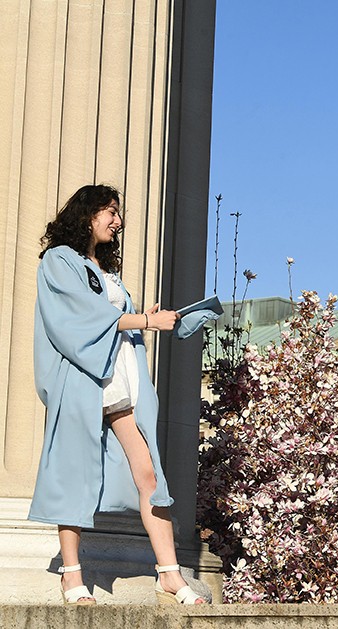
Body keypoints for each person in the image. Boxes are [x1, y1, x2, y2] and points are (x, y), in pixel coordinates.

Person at [29, 184, 205, 605]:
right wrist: (146, 319)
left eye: (117, 212)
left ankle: (169, 574)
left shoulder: (106, 272)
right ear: (86, 214)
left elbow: (114, 320)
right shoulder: (59, 262)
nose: (118, 220)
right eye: (110, 211)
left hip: (119, 381)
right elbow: (80, 319)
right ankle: (72, 577)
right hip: (81, 381)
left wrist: (167, 320)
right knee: (73, 473)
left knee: (148, 474)